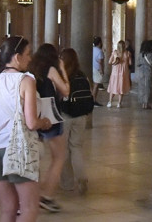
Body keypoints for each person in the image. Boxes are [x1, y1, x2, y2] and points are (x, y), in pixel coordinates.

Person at [0, 36, 52, 222]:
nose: (30, 58)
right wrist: (46, 122)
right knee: (29, 208)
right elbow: (32, 122)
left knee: (8, 209)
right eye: (28, 54)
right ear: (17, 57)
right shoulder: (25, 81)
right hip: (19, 150)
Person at [29, 43, 68, 213]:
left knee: (36, 157)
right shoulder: (51, 69)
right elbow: (66, 90)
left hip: (35, 116)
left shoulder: (31, 69)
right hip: (50, 118)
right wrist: (63, 69)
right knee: (59, 157)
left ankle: (33, 193)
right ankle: (47, 196)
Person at [57, 48, 93, 194]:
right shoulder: (82, 75)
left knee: (64, 149)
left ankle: (67, 183)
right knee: (76, 147)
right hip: (81, 115)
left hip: (65, 116)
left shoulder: (64, 76)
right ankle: (81, 177)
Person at [107, 40, 131, 107]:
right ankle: (119, 103)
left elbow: (109, 62)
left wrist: (115, 62)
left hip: (115, 72)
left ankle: (110, 102)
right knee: (121, 87)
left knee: (113, 87)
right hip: (123, 73)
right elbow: (130, 63)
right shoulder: (127, 53)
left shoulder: (115, 52)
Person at [138, 40, 152, 109]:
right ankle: (147, 103)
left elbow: (138, 63)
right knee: (149, 86)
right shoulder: (151, 55)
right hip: (149, 71)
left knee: (142, 87)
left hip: (141, 71)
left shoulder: (140, 54)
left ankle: (143, 103)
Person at [91, 36, 106, 102]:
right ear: (100, 43)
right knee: (96, 85)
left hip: (92, 68)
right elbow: (100, 62)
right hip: (97, 69)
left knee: (94, 85)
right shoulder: (100, 51)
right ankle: (93, 100)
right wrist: (102, 70)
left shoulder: (92, 49)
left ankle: (93, 100)